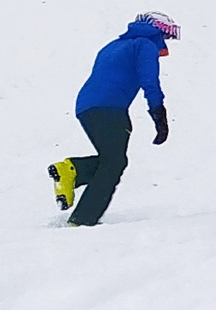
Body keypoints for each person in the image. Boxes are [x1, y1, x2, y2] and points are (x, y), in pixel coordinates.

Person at [50, 13, 179, 227]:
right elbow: (150, 81)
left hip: (85, 108)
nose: (165, 42)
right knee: (114, 163)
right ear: (158, 30)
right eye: (166, 35)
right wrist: (159, 115)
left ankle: (73, 171)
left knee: (111, 160)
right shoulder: (145, 45)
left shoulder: (112, 46)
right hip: (111, 109)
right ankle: (82, 219)